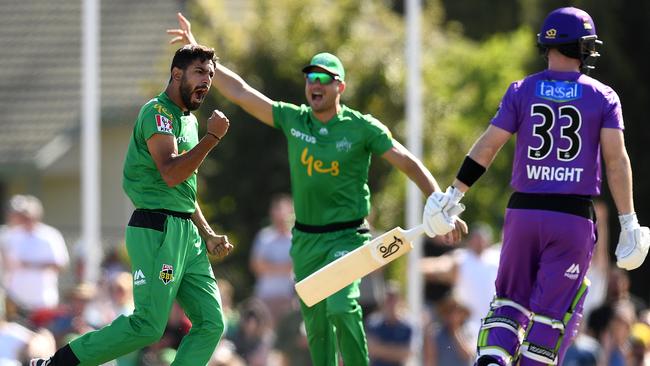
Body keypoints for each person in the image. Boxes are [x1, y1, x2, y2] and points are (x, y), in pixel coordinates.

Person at [167, 13, 466, 366]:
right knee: (317, 322)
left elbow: (405, 160)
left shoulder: (361, 127)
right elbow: (243, 92)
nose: (315, 84)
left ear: (340, 86)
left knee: (341, 305)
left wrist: (438, 200)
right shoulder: (295, 120)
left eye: (324, 78)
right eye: (310, 77)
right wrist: (206, 60)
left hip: (347, 237)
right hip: (306, 240)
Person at [422, 6, 649, 366]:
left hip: (523, 211)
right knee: (551, 314)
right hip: (571, 218)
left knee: (509, 299)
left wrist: (454, 194)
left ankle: (494, 357)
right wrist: (628, 220)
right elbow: (616, 162)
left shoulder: (522, 89)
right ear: (584, 47)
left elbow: (488, 146)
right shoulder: (603, 96)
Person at [31, 44, 233, 366]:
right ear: (176, 74)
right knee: (148, 325)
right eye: (199, 72)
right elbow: (170, 172)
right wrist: (213, 139)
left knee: (211, 323)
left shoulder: (191, 123)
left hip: (187, 235)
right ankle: (58, 364)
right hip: (157, 230)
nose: (206, 81)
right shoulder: (157, 112)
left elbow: (183, 191)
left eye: (210, 74)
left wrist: (206, 233)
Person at [0, 194, 69, 314]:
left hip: (42, 300)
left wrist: (30, 264)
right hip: (14, 299)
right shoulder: (10, 235)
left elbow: (61, 265)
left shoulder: (50, 235)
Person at [249, 193, 295, 325]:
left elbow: (296, 266)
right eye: (277, 210)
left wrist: (269, 266)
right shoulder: (264, 237)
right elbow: (256, 266)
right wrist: (284, 267)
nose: (280, 215)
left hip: (289, 297)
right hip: (265, 296)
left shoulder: (295, 238)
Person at [365, 281, 413, 366]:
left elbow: (407, 353)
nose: (391, 302)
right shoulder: (373, 322)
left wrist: (380, 348)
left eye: (393, 298)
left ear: (400, 299)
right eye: (388, 298)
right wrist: (395, 350)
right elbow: (370, 349)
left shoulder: (408, 325)